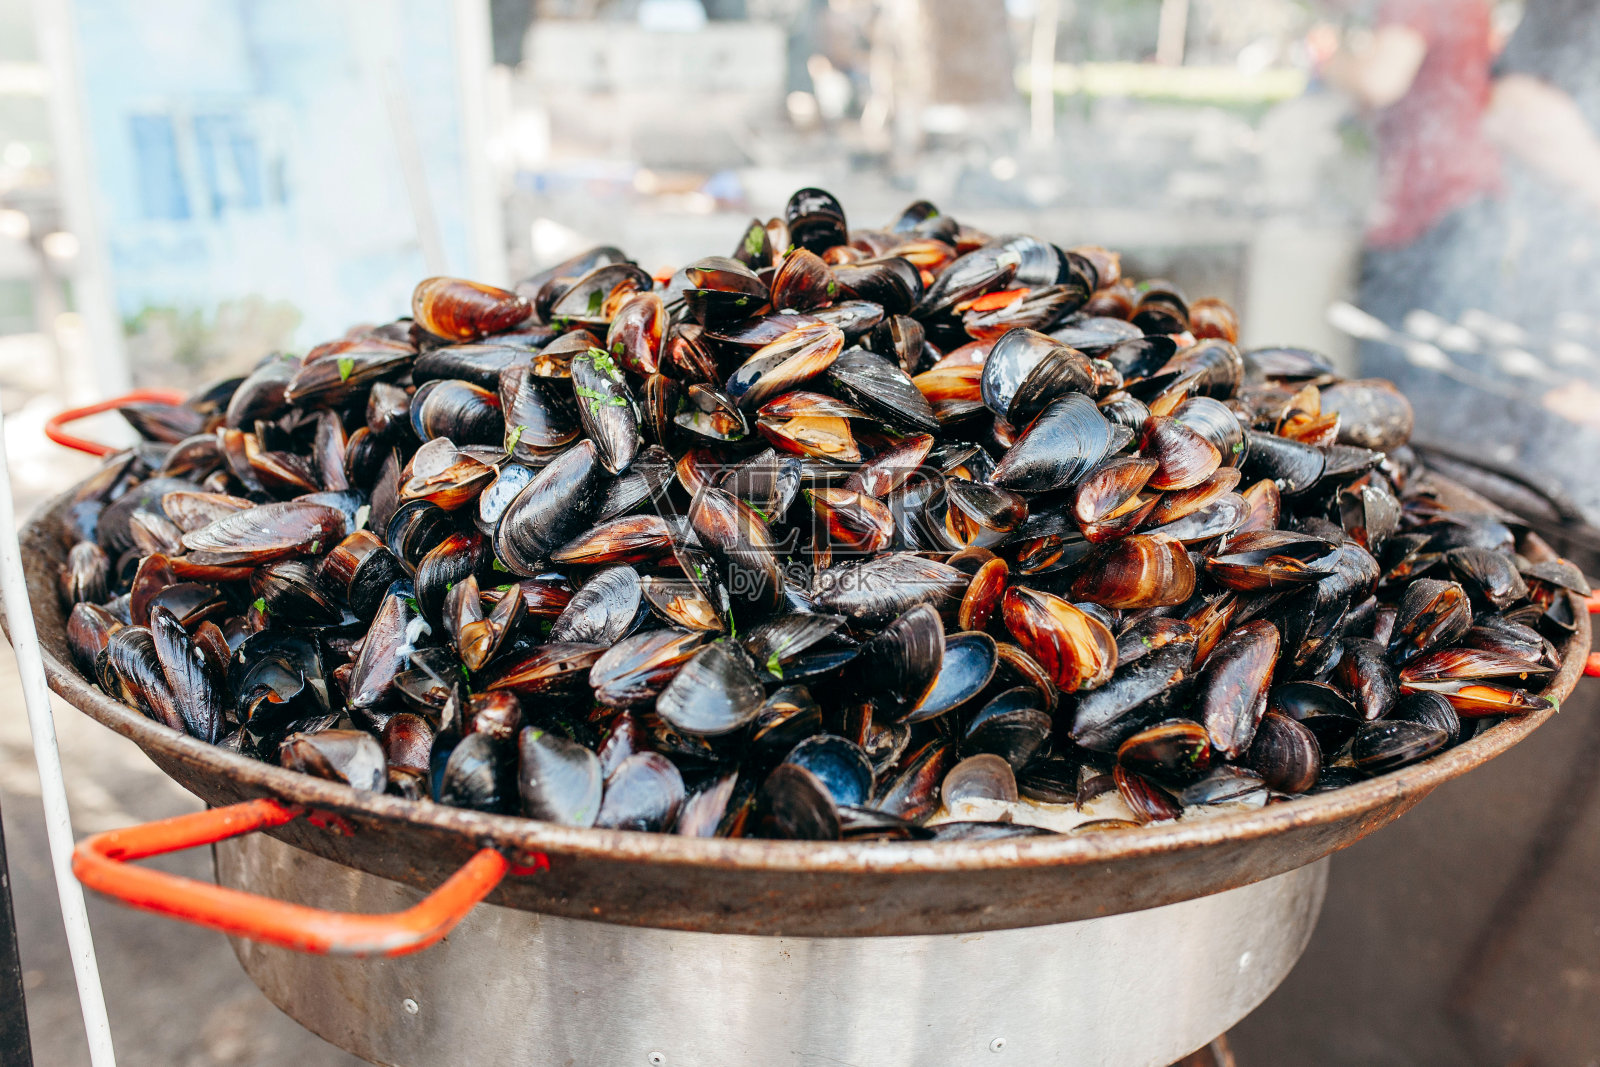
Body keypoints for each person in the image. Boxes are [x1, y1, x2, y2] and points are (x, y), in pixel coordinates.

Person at [1313, 0, 1505, 333]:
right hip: (1469, 200)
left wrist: (1328, 61)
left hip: (1431, 208)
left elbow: (1381, 81)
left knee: (1397, 360)